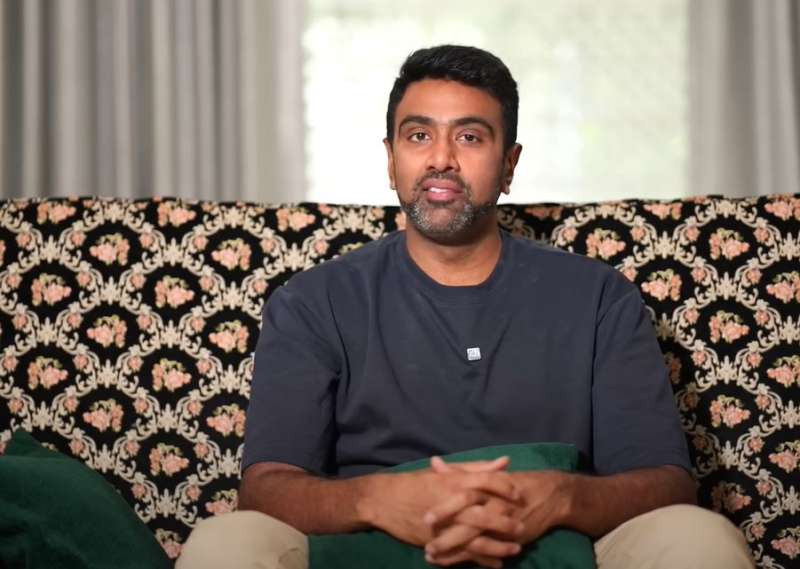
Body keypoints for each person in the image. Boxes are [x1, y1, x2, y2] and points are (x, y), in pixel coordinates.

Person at [178, 45, 753, 569]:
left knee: (695, 537)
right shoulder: (312, 301)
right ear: (391, 159)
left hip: (560, 544)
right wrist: (377, 500)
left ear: (509, 164)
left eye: (471, 137)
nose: (441, 159)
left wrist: (558, 497)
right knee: (226, 543)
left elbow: (667, 485)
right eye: (418, 136)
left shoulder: (599, 296)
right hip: (365, 545)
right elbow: (266, 488)